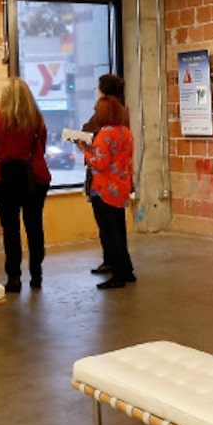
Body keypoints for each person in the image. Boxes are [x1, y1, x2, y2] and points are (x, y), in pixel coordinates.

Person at [0, 78, 51, 293]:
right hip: (35, 178)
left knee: (10, 230)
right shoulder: (37, 120)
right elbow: (42, 148)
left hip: (5, 180)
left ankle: (14, 278)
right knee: (34, 226)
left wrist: (2, 164)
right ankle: (37, 275)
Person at [81, 93, 135, 290]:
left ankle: (118, 276)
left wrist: (85, 152)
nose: (95, 113)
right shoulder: (126, 133)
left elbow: (99, 163)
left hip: (103, 190)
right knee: (120, 232)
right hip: (121, 188)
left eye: (97, 110)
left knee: (109, 234)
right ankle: (128, 271)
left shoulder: (105, 134)